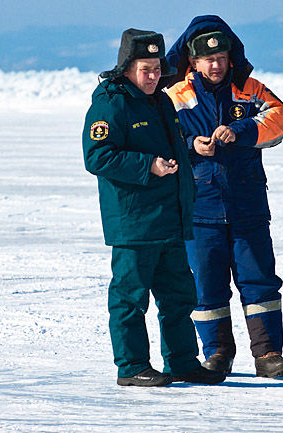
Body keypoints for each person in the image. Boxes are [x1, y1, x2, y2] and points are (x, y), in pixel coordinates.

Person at [82, 28, 225, 387]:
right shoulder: (111, 103)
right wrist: (148, 165)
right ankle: (131, 367)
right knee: (130, 299)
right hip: (134, 222)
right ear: (127, 68)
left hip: (170, 219)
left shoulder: (160, 101)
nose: (153, 76)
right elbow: (97, 156)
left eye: (157, 68)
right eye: (145, 69)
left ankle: (182, 362)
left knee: (179, 296)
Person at [164, 15, 283, 378]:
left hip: (247, 206)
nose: (216, 64)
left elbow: (279, 117)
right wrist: (192, 145)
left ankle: (268, 353)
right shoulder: (176, 97)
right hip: (200, 209)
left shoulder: (250, 90)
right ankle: (217, 353)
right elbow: (162, 138)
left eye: (221, 57)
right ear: (192, 62)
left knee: (260, 281)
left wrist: (242, 129)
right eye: (207, 59)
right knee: (207, 286)